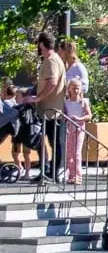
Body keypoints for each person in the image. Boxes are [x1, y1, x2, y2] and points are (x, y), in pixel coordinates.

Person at [27, 32, 66, 183]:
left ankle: (53, 174)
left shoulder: (51, 60)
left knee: (54, 142)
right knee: (42, 140)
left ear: (42, 44)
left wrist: (38, 97)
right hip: (47, 110)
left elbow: (53, 82)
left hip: (51, 111)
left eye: (38, 43)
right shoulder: (51, 60)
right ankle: (47, 171)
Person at [61, 78, 92, 184]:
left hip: (79, 128)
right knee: (69, 153)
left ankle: (78, 176)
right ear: (69, 88)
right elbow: (64, 114)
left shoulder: (83, 102)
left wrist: (79, 119)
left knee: (77, 152)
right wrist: (65, 118)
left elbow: (89, 115)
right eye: (73, 88)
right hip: (69, 128)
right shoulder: (66, 102)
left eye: (77, 88)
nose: (75, 90)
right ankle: (71, 175)